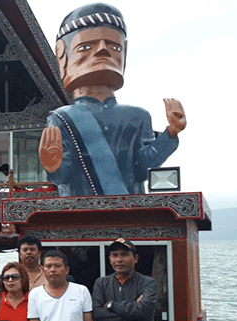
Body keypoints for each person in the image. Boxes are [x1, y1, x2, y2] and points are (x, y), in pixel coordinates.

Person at [38, 3, 186, 196]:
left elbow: (143, 165)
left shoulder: (137, 116)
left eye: (114, 46)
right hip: (79, 208)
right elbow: (64, 177)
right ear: (63, 56)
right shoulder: (62, 117)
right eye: (85, 46)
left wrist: (171, 134)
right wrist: (53, 165)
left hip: (130, 205)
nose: (102, 51)